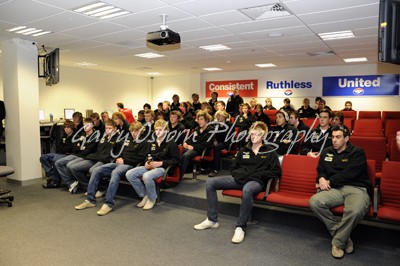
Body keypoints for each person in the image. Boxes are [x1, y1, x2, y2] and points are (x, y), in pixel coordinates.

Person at [194, 122, 281, 244]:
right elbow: (233, 168)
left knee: (247, 189)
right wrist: (241, 175)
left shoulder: (270, 151)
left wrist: (257, 175)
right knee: (210, 183)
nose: (254, 136)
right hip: (240, 180)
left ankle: (241, 227)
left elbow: (276, 171)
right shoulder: (244, 150)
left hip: (256, 182)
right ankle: (212, 220)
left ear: (263, 136)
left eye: (257, 134)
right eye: (252, 134)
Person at [309, 125, 371, 259]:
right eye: (333, 137)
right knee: (315, 202)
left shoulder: (358, 152)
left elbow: (350, 174)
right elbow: (321, 170)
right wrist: (321, 178)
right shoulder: (326, 152)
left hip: (356, 188)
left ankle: (338, 242)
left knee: (354, 211)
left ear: (346, 138)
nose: (334, 140)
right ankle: (343, 234)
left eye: (338, 137)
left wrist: (329, 181)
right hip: (335, 190)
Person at [74, 121, 148, 215]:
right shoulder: (128, 140)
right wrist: (118, 157)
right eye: (132, 131)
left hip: (130, 165)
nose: (133, 133)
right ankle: (90, 200)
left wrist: (124, 161)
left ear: (141, 132)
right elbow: (120, 152)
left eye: (136, 131)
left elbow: (140, 158)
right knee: (97, 170)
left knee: (115, 173)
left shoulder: (144, 142)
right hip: (118, 163)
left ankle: (108, 203)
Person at [126, 119, 181, 210]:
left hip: (163, 168)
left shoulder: (171, 143)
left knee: (147, 176)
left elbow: (177, 160)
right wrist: (146, 163)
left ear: (166, 131)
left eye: (160, 130)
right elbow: (147, 156)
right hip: (151, 166)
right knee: (130, 174)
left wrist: (161, 163)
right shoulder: (152, 142)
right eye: (156, 130)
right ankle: (144, 195)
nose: (157, 132)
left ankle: (152, 198)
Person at [67, 119, 121, 193]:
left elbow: (115, 154)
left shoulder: (118, 139)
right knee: (74, 168)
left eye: (110, 128)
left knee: (92, 170)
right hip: (95, 158)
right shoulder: (103, 137)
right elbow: (98, 150)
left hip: (105, 160)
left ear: (115, 128)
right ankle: (88, 186)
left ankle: (100, 189)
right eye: (106, 128)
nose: (107, 130)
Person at [55, 118, 99, 193]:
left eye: (87, 125)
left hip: (86, 157)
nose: (85, 127)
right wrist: (81, 147)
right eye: (84, 125)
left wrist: (81, 147)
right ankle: (72, 183)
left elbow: (88, 150)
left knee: (70, 166)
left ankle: (87, 185)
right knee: (58, 163)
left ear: (92, 126)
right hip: (78, 154)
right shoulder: (82, 135)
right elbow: (76, 147)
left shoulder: (95, 136)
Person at [41, 120, 76, 188]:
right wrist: (65, 148)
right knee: (43, 157)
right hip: (60, 153)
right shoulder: (64, 136)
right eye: (65, 127)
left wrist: (65, 148)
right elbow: (59, 146)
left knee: (55, 160)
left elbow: (71, 149)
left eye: (68, 127)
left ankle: (55, 182)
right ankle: (51, 176)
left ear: (72, 128)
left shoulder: (75, 137)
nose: (66, 129)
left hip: (68, 155)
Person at [180, 110, 214, 178]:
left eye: (201, 119)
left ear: (206, 120)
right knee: (177, 151)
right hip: (194, 148)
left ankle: (179, 176)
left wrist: (193, 147)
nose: (199, 121)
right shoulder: (197, 129)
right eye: (198, 119)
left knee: (186, 155)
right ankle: (173, 173)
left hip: (202, 150)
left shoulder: (211, 130)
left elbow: (206, 144)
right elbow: (190, 139)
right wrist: (185, 143)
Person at [208, 110, 232, 177]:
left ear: (224, 116)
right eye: (217, 116)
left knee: (216, 147)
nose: (218, 117)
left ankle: (215, 169)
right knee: (209, 145)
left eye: (220, 115)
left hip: (226, 142)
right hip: (219, 142)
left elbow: (228, 136)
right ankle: (205, 167)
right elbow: (215, 135)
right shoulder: (217, 125)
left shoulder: (229, 124)